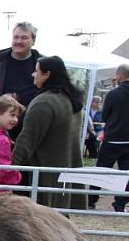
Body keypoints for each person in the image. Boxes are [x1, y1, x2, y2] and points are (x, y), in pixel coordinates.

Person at [12, 55, 86, 209]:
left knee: (40, 222)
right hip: (64, 174)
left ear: (47, 74)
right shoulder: (71, 100)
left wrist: (9, 168)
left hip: (44, 176)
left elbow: (27, 140)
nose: (33, 74)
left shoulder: (44, 102)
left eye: (36, 71)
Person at [0, 22, 41, 139]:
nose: (19, 41)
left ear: (33, 41)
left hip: (31, 126)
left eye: (24, 38)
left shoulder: (42, 65)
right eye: (16, 37)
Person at [93, 64, 129, 212]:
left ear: (119, 76)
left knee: (101, 170)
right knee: (126, 174)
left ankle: (91, 198)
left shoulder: (114, 94)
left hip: (113, 138)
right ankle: (120, 204)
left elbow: (105, 115)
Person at [84, 95, 104, 159]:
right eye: (97, 102)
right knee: (88, 136)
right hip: (87, 130)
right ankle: (93, 154)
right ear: (92, 102)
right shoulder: (86, 110)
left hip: (98, 130)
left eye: (100, 102)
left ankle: (94, 154)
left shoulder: (102, 112)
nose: (99, 103)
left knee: (94, 137)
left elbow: (102, 122)